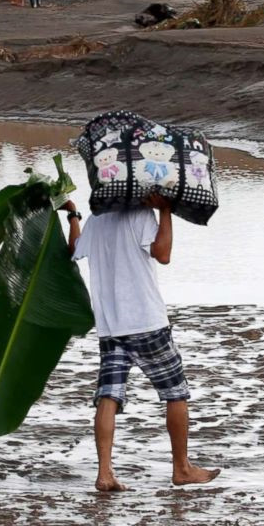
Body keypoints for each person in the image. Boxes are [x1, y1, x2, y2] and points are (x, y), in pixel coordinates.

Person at [65, 194, 219, 492]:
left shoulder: (98, 218)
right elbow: (162, 253)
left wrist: (73, 216)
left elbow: (74, 249)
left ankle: (105, 473)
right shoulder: (140, 215)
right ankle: (182, 468)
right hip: (146, 322)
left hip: (111, 326)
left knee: (108, 396)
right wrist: (165, 212)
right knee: (176, 393)